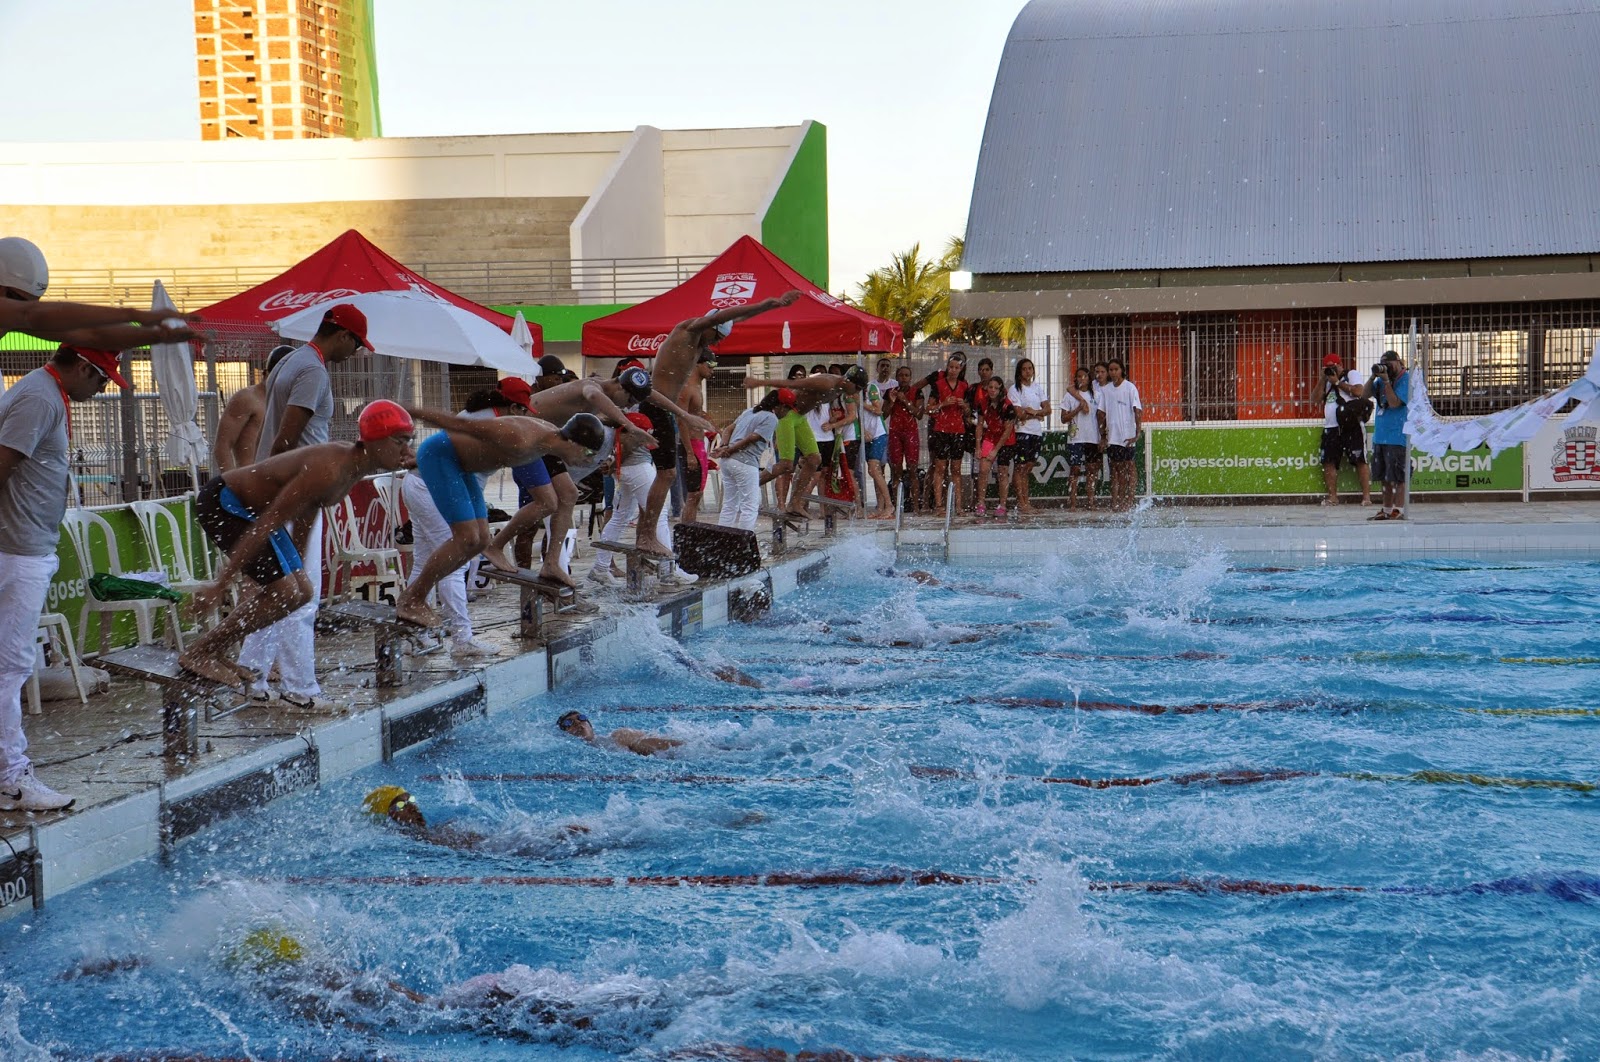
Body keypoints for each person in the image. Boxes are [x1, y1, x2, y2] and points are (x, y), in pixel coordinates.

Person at [180, 402, 417, 689]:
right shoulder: (330, 467)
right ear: (376, 441)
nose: (407, 450)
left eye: (408, 442)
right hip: (224, 502)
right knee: (285, 590)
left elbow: (308, 511)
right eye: (400, 441)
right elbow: (269, 521)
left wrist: (299, 564)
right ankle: (201, 651)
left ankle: (214, 649)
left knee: (302, 591)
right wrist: (220, 584)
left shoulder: (354, 467)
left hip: (253, 512)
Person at [0, 344, 129, 811]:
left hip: (21, 546)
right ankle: (11, 779)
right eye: (100, 380)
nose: (99, 390)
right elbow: (3, 463)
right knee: (11, 667)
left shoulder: (43, 393)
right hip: (17, 551)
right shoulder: (41, 397)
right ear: (80, 366)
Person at [238, 303, 372, 708]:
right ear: (343, 335)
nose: (356, 353)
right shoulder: (312, 370)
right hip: (296, 495)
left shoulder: (290, 360)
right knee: (302, 594)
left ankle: (253, 674)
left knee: (276, 591)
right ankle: (300, 689)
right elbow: (286, 440)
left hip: (279, 491)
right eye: (357, 344)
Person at [487, 366, 710, 576]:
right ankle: (496, 546)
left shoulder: (614, 390)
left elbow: (650, 395)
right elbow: (594, 397)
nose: (628, 405)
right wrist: (630, 426)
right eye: (630, 400)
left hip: (545, 444)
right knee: (546, 504)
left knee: (568, 496)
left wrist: (684, 415)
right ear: (620, 387)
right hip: (523, 438)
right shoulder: (592, 387)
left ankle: (552, 563)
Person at [394, 407, 606, 627]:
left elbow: (562, 496)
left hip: (460, 467)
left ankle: (416, 597)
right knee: (466, 538)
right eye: (589, 454)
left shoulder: (548, 441)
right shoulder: (520, 437)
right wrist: (412, 413)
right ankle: (413, 598)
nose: (588, 461)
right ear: (573, 443)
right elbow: (462, 426)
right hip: (441, 459)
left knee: (482, 540)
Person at [631, 289, 802, 557]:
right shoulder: (688, 330)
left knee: (662, 476)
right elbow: (726, 314)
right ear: (711, 327)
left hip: (661, 408)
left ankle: (647, 534)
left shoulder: (696, 343)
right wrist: (769, 302)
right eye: (718, 337)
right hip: (656, 407)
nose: (716, 345)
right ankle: (647, 536)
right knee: (666, 475)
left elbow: (735, 319)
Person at [401, 379, 534, 661]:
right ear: (512, 407)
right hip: (431, 488)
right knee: (454, 562)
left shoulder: (479, 417)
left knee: (426, 560)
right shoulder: (491, 425)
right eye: (525, 411)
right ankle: (462, 639)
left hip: (418, 484)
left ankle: (414, 635)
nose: (527, 420)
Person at [0, 236, 200, 351]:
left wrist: (157, 335)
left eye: (32, 301)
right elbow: (30, 314)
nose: (19, 308)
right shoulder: (23, 315)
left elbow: (94, 335)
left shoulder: (14, 319)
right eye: (17, 300)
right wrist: (134, 314)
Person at [741, 366, 868, 516]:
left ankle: (794, 503)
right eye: (858, 388)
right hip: (787, 415)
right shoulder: (827, 383)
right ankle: (744, 487)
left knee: (814, 459)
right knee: (785, 465)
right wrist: (760, 382)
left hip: (800, 418)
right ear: (849, 381)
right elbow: (792, 384)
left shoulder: (841, 389)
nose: (857, 392)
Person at [362, 785, 587, 852]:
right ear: (388, 815)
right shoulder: (406, 839)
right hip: (489, 851)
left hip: (493, 845)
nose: (412, 807)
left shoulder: (423, 831)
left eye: (410, 798)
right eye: (401, 804)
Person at [585, 412, 669, 588]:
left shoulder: (619, 426)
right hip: (639, 469)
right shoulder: (635, 425)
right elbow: (629, 443)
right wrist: (615, 461)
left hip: (624, 472)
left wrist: (614, 463)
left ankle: (600, 568)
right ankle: (669, 570)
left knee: (619, 518)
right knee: (658, 514)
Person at [714, 389, 791, 530]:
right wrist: (728, 449)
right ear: (780, 406)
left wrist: (724, 447)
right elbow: (752, 438)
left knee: (730, 504)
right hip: (745, 462)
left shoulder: (750, 411)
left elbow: (728, 429)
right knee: (750, 506)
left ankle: (723, 539)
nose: (787, 414)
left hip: (728, 462)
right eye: (788, 409)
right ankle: (743, 544)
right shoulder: (771, 418)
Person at [212, 344, 293, 474]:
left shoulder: (289, 402)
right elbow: (222, 446)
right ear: (266, 373)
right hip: (250, 479)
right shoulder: (247, 399)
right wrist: (233, 483)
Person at [916, 352, 971, 513]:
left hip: (958, 430)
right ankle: (939, 505)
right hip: (941, 430)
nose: (953, 370)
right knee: (940, 468)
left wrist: (964, 406)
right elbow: (928, 409)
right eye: (951, 367)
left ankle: (958, 505)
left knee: (956, 470)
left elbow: (968, 413)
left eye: (956, 368)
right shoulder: (938, 385)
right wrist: (942, 404)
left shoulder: (964, 386)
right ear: (947, 368)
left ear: (961, 369)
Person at [1319, 352, 1373, 508]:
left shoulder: (1351, 374)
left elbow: (1358, 392)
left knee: (1360, 460)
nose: (1331, 370)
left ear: (1340, 365)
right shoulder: (1326, 381)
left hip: (1351, 426)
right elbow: (1315, 398)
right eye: (1328, 368)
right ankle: (1333, 497)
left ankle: (1366, 497)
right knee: (1328, 461)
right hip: (1331, 427)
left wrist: (1337, 382)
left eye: (1333, 367)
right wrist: (1323, 379)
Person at [1365, 350, 1411, 521]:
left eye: (1389, 364)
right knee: (1385, 477)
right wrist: (1372, 377)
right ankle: (1386, 509)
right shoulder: (1381, 380)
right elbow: (1364, 395)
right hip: (1381, 437)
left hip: (1398, 437)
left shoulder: (1407, 379)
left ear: (1398, 362)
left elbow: (1394, 403)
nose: (1387, 368)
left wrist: (1386, 382)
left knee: (1399, 477)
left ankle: (1398, 510)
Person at [677, 349, 717, 524]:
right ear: (698, 364)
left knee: (697, 494)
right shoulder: (686, 388)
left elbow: (696, 413)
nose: (713, 370)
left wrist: (712, 425)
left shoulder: (696, 388)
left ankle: (690, 530)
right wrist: (689, 453)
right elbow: (681, 420)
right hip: (691, 445)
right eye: (711, 365)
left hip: (698, 444)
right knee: (693, 495)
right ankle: (686, 533)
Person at [1006, 357, 1050, 514]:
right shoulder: (1015, 390)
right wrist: (1036, 414)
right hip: (1022, 433)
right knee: (1020, 467)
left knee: (1028, 468)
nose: (1028, 371)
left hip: (1036, 433)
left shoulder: (1038, 388)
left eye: (1030, 368)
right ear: (1019, 371)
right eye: (1024, 369)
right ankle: (1021, 502)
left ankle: (1026, 501)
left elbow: (1048, 409)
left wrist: (1034, 412)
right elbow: (1019, 414)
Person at [1097, 358, 1142, 511]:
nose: (1113, 372)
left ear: (1122, 370)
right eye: (1111, 370)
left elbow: (1137, 410)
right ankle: (1117, 499)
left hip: (1127, 435)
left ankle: (1130, 499)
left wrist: (1137, 431)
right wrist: (1103, 435)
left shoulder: (1130, 388)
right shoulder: (1106, 390)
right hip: (1113, 437)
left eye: (1116, 369)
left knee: (1129, 466)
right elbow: (1101, 413)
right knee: (1116, 469)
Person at [973, 376, 1017, 517]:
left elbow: (1007, 430)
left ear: (1001, 389)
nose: (992, 390)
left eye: (995, 388)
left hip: (1006, 440)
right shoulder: (983, 403)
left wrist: (996, 450)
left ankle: (1002, 504)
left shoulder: (1007, 406)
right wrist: (978, 446)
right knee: (983, 469)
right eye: (990, 387)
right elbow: (979, 425)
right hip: (990, 437)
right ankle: (981, 503)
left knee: (1002, 471)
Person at [557, 709, 682, 756]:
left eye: (581, 718)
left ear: (590, 725)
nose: (578, 723)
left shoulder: (619, 736)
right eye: (569, 723)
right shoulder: (570, 752)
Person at [858, 359, 894, 518]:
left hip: (878, 433)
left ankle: (889, 505)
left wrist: (861, 403)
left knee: (874, 469)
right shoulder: (853, 392)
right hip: (866, 435)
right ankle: (880, 507)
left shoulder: (870, 388)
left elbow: (878, 410)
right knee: (874, 471)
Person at [1061, 367, 1101, 511]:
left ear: (1089, 379)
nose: (1082, 379)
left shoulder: (1096, 395)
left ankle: (1091, 502)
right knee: (1075, 470)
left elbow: (1100, 416)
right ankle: (1073, 503)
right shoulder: (1069, 396)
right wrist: (1077, 410)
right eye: (1079, 376)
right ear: (1075, 378)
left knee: (1091, 470)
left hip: (1092, 437)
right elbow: (1063, 418)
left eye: (1085, 376)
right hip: (1075, 438)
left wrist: (1103, 436)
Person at [883, 363, 922, 512]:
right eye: (901, 375)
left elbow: (918, 414)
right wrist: (892, 401)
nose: (904, 378)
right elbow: (884, 414)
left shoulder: (917, 392)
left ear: (910, 378)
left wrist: (905, 400)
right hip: (895, 433)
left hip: (911, 433)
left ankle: (916, 505)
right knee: (896, 470)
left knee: (913, 470)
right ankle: (896, 504)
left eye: (906, 375)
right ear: (897, 377)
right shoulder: (890, 392)